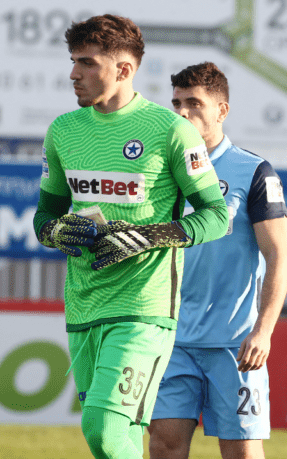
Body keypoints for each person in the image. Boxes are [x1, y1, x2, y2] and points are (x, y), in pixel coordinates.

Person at [32, 15, 228, 459]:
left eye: (86, 62)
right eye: (73, 61)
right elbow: (45, 214)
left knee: (103, 428)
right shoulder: (63, 130)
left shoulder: (171, 131)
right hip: (83, 305)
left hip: (144, 308)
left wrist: (149, 236)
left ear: (123, 69)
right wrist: (55, 230)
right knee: (108, 437)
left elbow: (217, 216)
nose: (73, 73)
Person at [147, 62, 287, 459]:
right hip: (170, 337)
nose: (182, 112)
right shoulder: (159, 171)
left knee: (241, 452)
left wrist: (263, 331)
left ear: (221, 110)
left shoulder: (254, 171)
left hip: (234, 342)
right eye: (176, 103)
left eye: (194, 103)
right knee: (163, 446)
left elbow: (278, 255)